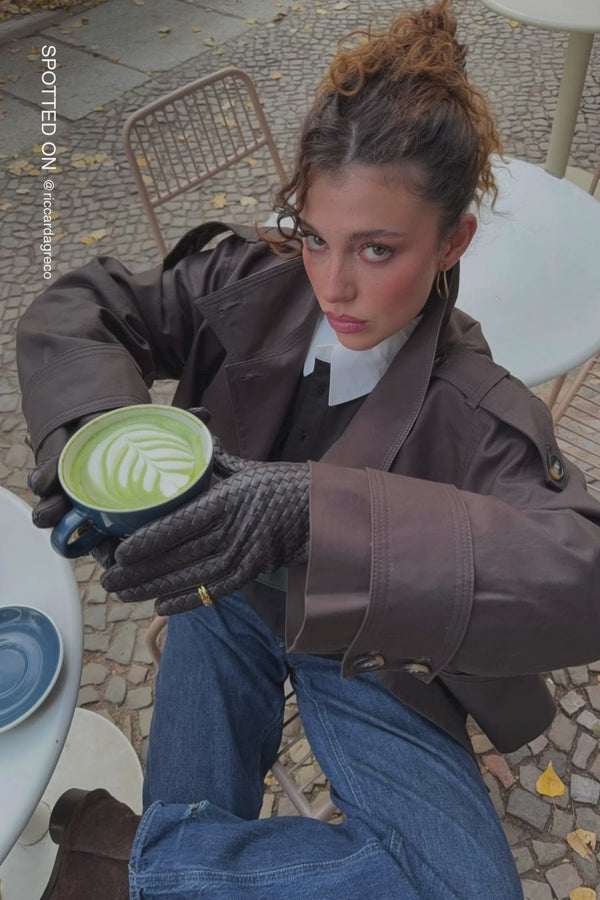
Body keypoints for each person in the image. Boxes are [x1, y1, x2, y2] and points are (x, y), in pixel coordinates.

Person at [17, 2, 600, 897]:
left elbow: (581, 573)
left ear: (453, 241)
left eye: (378, 249)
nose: (333, 283)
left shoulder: (476, 405)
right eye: (317, 236)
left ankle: (126, 857)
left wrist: (313, 514)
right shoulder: (249, 285)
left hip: (372, 656)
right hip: (221, 587)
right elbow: (80, 307)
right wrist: (93, 441)